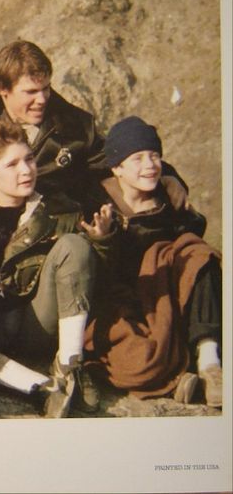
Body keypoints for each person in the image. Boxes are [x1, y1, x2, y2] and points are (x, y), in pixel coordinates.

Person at [0, 118, 112, 418]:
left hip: (36, 322)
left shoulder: (60, 208)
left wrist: (103, 242)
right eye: (12, 165)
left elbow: (89, 276)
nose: (26, 170)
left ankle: (69, 365)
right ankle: (40, 388)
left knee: (74, 246)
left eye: (29, 159)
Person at [83, 116, 223, 407]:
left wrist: (175, 186)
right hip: (115, 299)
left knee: (198, 254)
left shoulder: (167, 200)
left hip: (160, 294)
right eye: (137, 158)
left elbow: (190, 247)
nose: (150, 165)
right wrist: (102, 239)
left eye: (155, 156)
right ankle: (180, 382)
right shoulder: (92, 201)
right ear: (117, 167)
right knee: (137, 355)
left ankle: (210, 365)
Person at [0, 40, 188, 212]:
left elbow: (118, 156)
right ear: (2, 90)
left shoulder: (74, 126)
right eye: (31, 92)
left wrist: (168, 176)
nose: (42, 99)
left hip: (52, 227)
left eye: (46, 88)